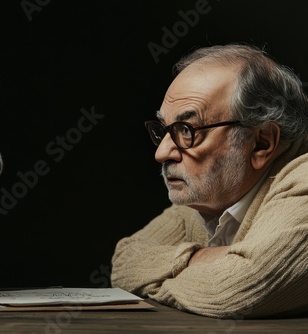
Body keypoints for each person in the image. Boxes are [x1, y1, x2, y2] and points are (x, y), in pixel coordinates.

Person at [110, 43, 308, 319]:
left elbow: (237, 292)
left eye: (187, 130)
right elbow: (124, 262)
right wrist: (205, 259)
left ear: (261, 143)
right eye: (163, 130)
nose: (161, 153)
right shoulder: (211, 197)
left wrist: (156, 282)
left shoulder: (304, 182)